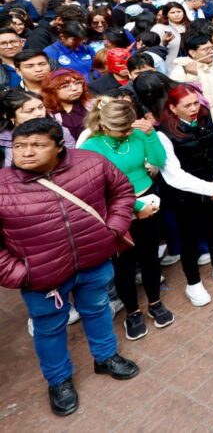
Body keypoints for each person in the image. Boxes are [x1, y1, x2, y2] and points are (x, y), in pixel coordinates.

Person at [0, 118, 140, 417]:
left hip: (94, 260)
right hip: (42, 278)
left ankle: (105, 357)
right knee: (48, 329)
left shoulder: (91, 162)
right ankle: (59, 380)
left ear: (59, 147)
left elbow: (123, 192)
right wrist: (19, 273)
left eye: (37, 145)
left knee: (99, 309)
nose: (25, 152)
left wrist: (113, 229)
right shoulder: (2, 187)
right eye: (20, 146)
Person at [78, 97, 174, 341]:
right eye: (123, 129)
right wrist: (136, 206)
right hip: (117, 209)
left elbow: (159, 161)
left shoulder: (138, 135)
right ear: (104, 126)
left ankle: (155, 303)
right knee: (124, 265)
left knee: (151, 257)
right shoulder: (91, 147)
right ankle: (132, 312)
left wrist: (151, 135)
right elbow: (99, 190)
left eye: (131, 126)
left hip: (150, 201)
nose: (129, 132)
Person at [157, 85, 213, 307]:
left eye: (196, 103)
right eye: (187, 105)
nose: (194, 108)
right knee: (189, 238)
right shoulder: (163, 133)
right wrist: (210, 188)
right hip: (186, 196)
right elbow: (173, 174)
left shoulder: (205, 118)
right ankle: (193, 283)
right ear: (173, 108)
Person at [169, 34, 213, 122]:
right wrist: (192, 75)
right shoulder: (180, 70)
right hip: (201, 122)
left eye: (212, 48)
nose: (211, 51)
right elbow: (179, 97)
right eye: (206, 49)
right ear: (192, 53)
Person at [41, 69, 92, 140]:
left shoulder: (93, 106)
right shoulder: (45, 113)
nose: (74, 88)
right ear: (51, 91)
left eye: (77, 83)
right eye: (65, 86)